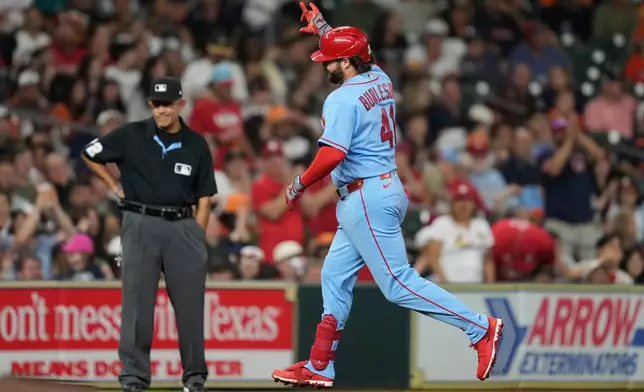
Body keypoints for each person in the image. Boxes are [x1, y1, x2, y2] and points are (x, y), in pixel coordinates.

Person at [271, 3, 503, 388]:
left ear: (345, 63)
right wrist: (324, 29)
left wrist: (298, 183)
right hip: (377, 188)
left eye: (328, 60)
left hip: (366, 195)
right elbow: (362, 52)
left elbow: (332, 154)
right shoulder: (379, 76)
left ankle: (479, 328)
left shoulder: (341, 99)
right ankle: (319, 365)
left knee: (397, 284)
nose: (323, 65)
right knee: (333, 275)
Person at [81, 76, 216, 392]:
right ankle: (134, 378)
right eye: (156, 104)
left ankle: (195, 379)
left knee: (190, 308)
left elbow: (206, 195)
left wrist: (197, 232)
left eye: (168, 104)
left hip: (184, 225)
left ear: (181, 104)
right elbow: (90, 153)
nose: (161, 110)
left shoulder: (196, 143)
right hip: (140, 221)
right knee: (137, 304)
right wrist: (113, 186)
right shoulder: (132, 133)